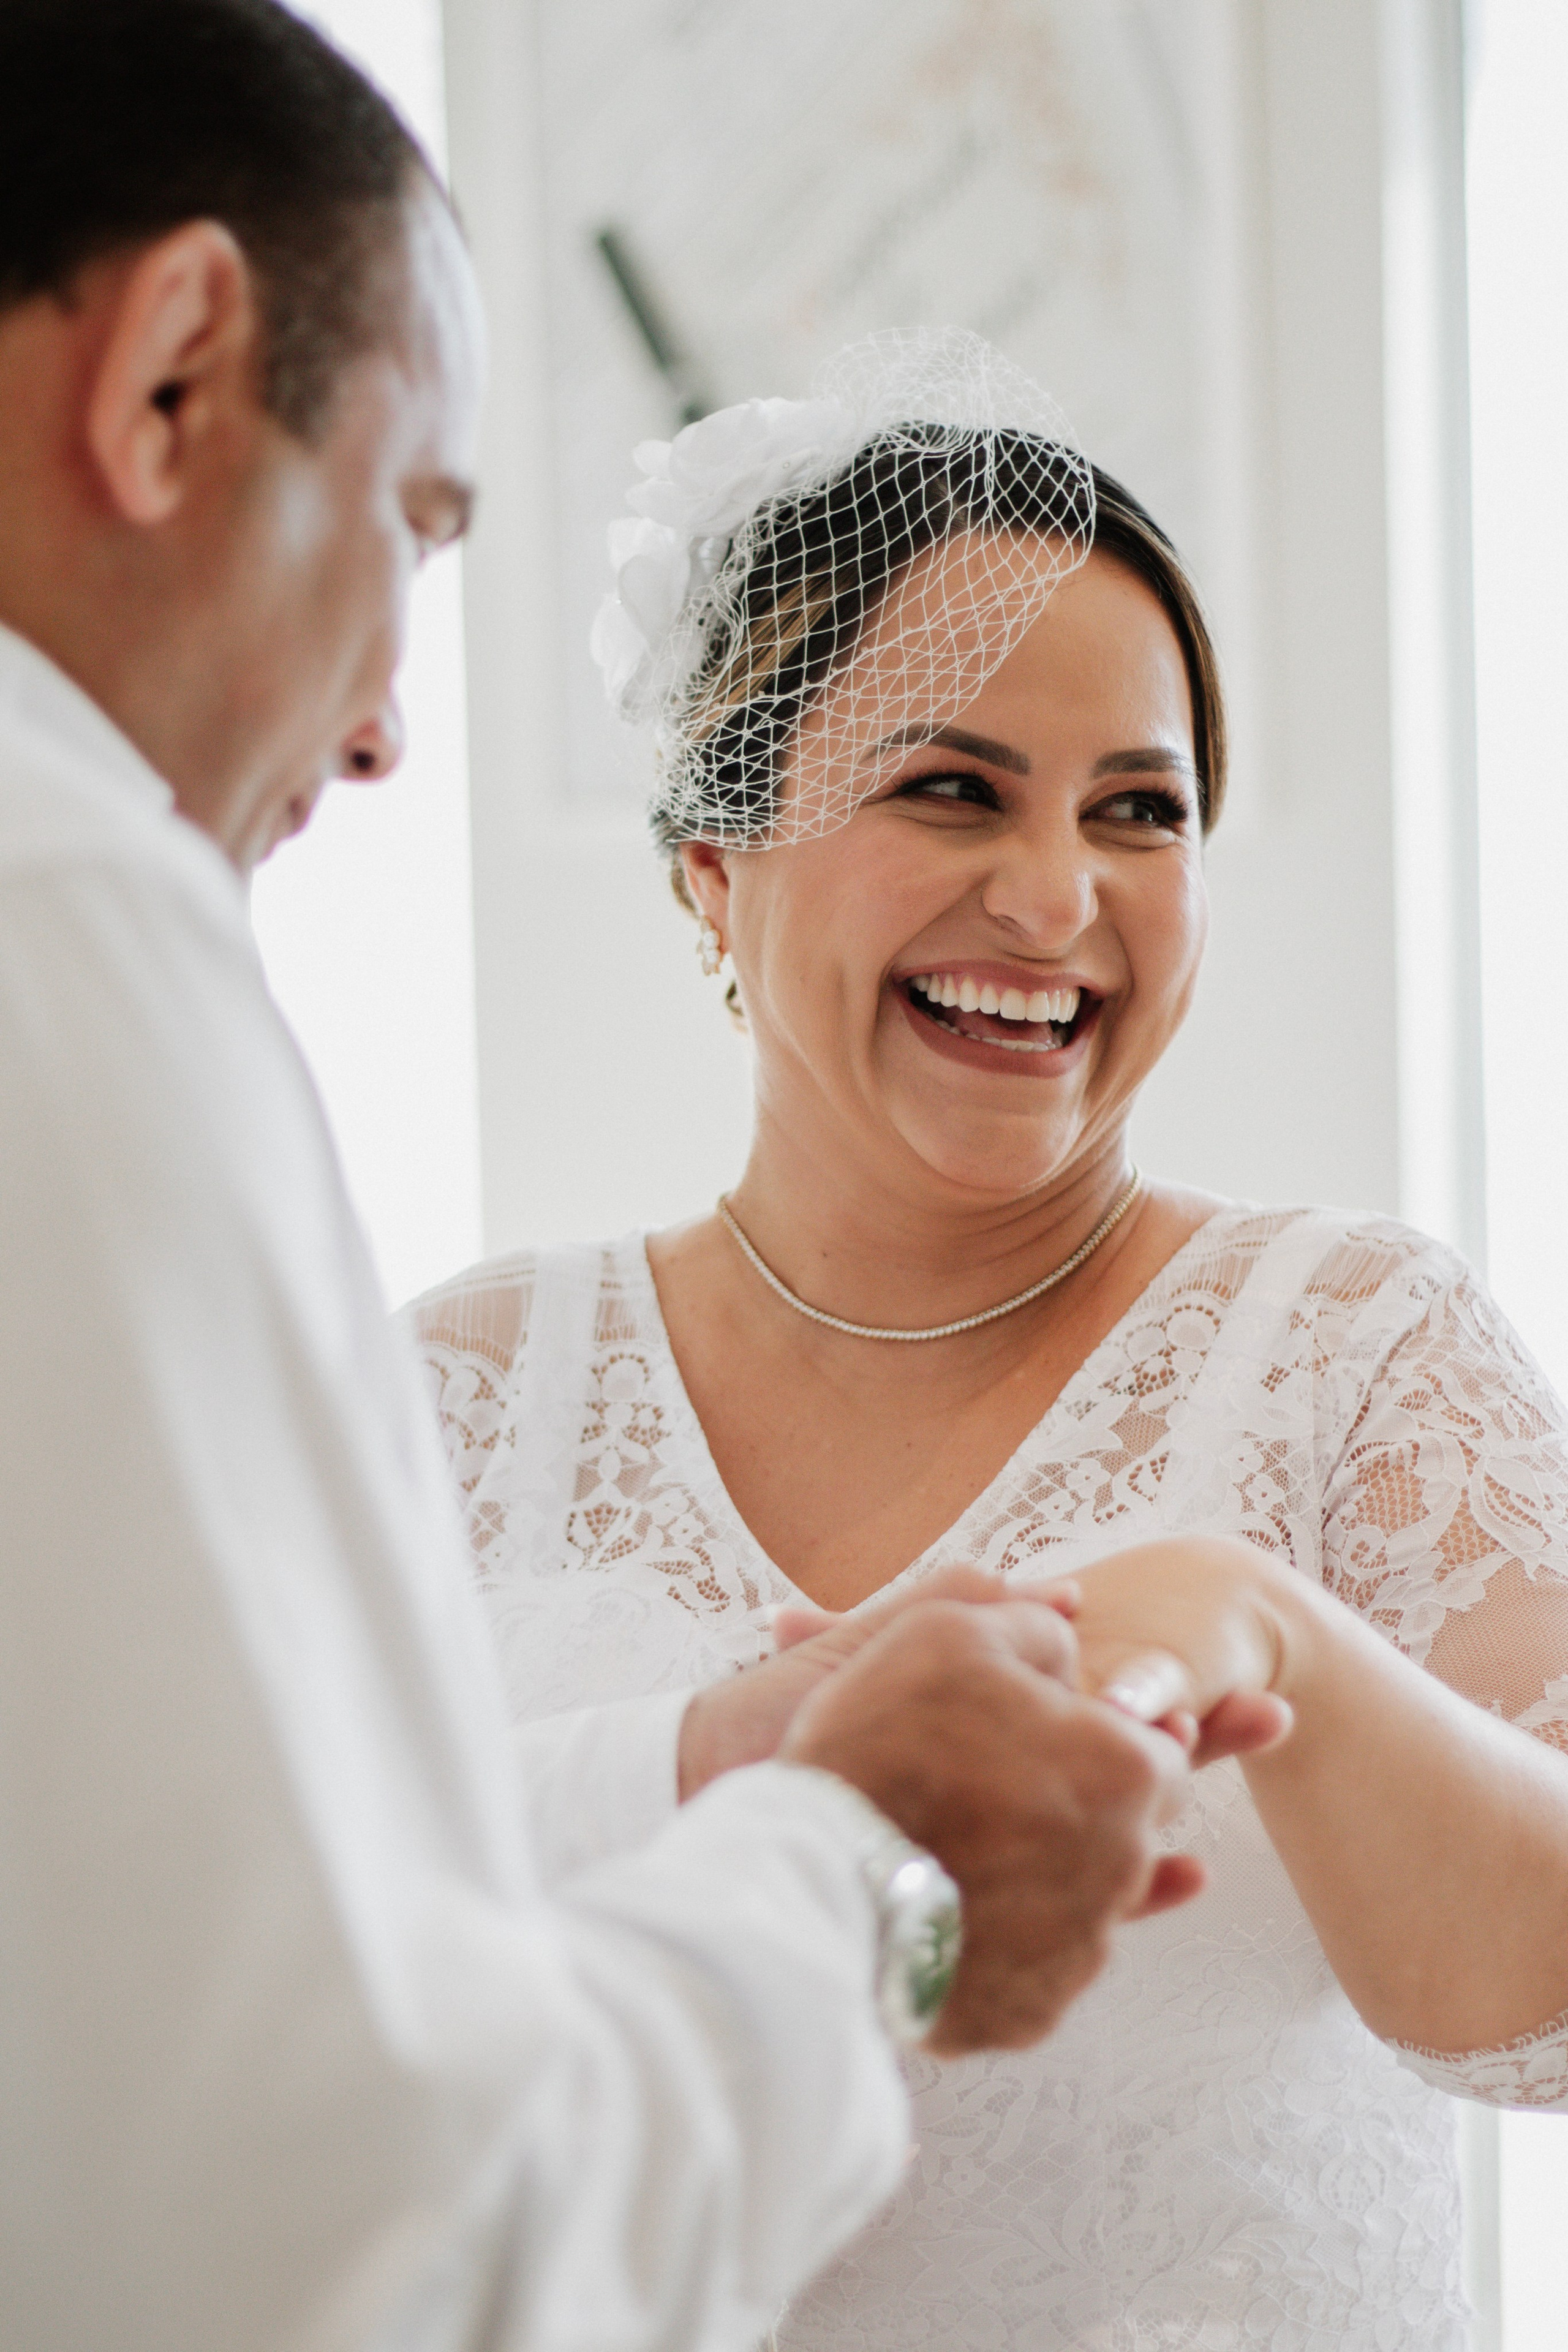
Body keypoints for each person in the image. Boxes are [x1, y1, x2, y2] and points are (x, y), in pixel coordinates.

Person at [0, 12, 1280, 2350]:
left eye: (1144, 808)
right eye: (412, 525)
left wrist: (717, 1761)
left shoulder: (1346, 1334)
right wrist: (860, 1869)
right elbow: (345, 2236)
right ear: (173, 369)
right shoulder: (77, 943)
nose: (386, 717)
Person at [409, 344, 1568, 2350]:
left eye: (1144, 811)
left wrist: (1254, 1624)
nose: (1057, 900)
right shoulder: (458, 1394)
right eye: (953, 789)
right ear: (714, 856)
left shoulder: (1355, 1341)